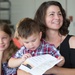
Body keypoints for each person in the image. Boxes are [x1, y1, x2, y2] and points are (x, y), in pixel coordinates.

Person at [17, 1, 75, 75]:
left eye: (59, 14)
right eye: (52, 14)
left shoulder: (72, 41)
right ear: (42, 18)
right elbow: (20, 70)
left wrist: (54, 70)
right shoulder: (33, 43)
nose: (57, 17)